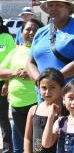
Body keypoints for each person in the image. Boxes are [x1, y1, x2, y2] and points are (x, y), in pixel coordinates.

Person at [27, 0, 74, 84]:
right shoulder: (40, 32)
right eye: (50, 5)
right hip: (43, 95)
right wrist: (40, 81)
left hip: (69, 94)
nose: (53, 8)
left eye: (59, 5)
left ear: (68, 8)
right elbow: (30, 62)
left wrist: (53, 80)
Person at [0, 19, 43, 152]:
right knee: (22, 142)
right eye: (28, 29)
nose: (31, 32)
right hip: (16, 105)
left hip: (36, 104)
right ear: (21, 32)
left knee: (37, 143)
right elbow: (1, 71)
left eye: (35, 30)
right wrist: (14, 72)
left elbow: (51, 73)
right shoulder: (16, 51)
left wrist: (31, 72)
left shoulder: (43, 50)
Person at [42, 79, 74, 153]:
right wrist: (50, 117)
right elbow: (46, 144)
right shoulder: (60, 122)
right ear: (64, 100)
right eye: (70, 98)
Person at [24, 68, 65, 153]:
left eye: (52, 87)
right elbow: (28, 138)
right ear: (38, 87)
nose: (47, 92)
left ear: (62, 88)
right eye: (43, 88)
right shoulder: (33, 110)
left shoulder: (65, 111)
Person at [0, 15, 16, 153]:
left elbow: (12, 60)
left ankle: (7, 148)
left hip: (2, 83)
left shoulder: (7, 38)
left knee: (3, 117)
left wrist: (7, 82)